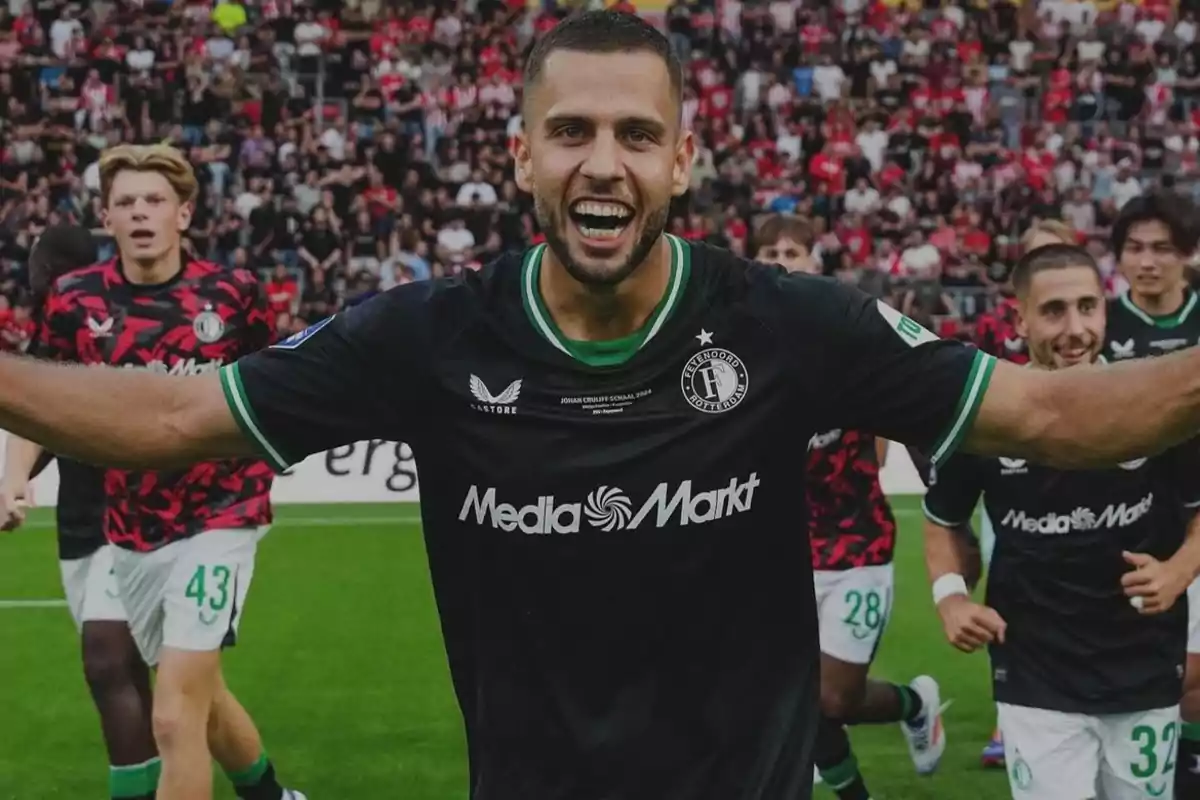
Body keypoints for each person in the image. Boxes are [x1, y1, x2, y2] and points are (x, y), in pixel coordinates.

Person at [6, 13, 1200, 799]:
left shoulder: (788, 323)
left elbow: (1052, 415)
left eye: (637, 133)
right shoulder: (427, 335)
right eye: (569, 131)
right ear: (519, 153)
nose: (602, 162)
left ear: (683, 160)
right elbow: (173, 421)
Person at [2, 147, 304, 800]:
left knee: (172, 713)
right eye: (128, 203)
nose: (142, 213)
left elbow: (272, 391)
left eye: (156, 201)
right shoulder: (73, 302)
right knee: (204, 697)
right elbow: (34, 402)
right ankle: (272, 796)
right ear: (105, 217)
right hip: (132, 529)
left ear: (184, 213)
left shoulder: (233, 296)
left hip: (222, 516)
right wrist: (13, 476)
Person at [923, 243, 1200, 800]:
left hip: (1143, 660)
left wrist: (1178, 572)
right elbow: (942, 521)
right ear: (1020, 318)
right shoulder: (986, 415)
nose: (1074, 329)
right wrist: (951, 597)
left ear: (1105, 309)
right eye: (1053, 312)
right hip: (1035, 666)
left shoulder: (1152, 404)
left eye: (1087, 307)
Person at [754, 214, 944, 800]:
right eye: (767, 251)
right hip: (777, 556)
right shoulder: (738, 350)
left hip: (857, 548)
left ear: (815, 261)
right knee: (796, 702)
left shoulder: (848, 337)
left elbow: (908, 401)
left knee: (833, 698)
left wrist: (939, 484)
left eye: (792, 250)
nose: (779, 260)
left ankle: (914, 702)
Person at [0, 226, 164, 800]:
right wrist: (15, 483)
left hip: (139, 517)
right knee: (133, 672)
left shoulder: (115, 323)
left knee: (104, 660)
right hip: (80, 524)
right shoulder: (55, 336)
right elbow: (41, 427)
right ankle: (254, 785)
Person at [968, 218, 1078, 768]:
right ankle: (1007, 716)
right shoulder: (991, 329)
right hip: (1013, 483)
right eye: (1038, 256)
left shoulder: (1095, 325)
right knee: (1011, 594)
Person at [1104, 189, 1200, 797]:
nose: (1147, 261)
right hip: (1126, 528)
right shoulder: (1101, 325)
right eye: (1135, 248)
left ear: (1188, 255)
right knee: (1163, 676)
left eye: (1162, 249)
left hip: (1195, 520)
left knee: (1191, 675)